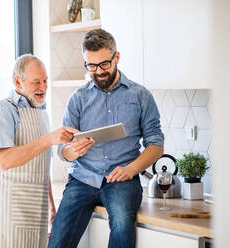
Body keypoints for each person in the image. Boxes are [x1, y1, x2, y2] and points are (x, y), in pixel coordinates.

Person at [48, 29, 164, 248]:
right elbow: (63, 151)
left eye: (104, 64)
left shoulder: (141, 96)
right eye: (91, 66)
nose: (98, 71)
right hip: (82, 179)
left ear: (116, 57)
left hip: (121, 180)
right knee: (58, 239)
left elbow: (156, 144)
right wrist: (73, 151)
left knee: (122, 226)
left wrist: (130, 170)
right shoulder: (78, 98)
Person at [0, 54, 78, 248]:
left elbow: (41, 167)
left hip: (37, 211)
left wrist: (52, 209)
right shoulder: (3, 110)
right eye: (36, 82)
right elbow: (5, 160)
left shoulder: (41, 113)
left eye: (45, 81)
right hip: (9, 212)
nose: (43, 87)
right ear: (17, 81)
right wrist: (48, 139)